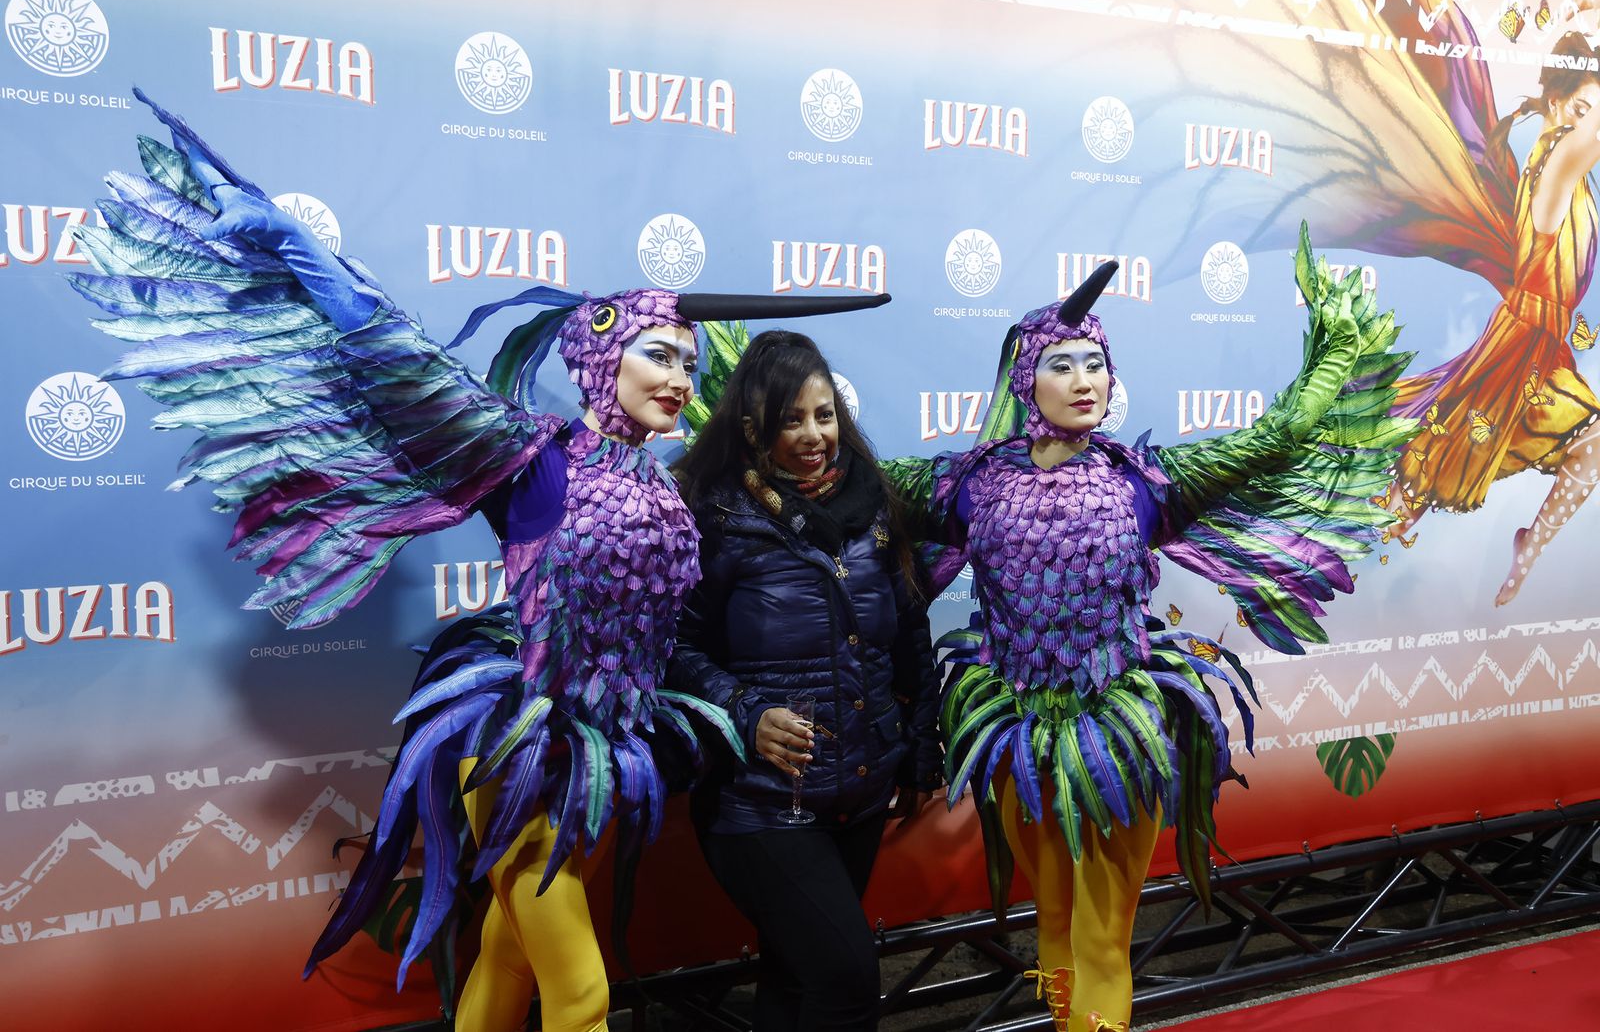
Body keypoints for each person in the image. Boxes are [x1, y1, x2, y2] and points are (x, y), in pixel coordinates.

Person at [69, 91, 890, 1031]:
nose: (679, 379)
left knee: (507, 951)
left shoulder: (665, 483)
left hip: (609, 751)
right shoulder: (534, 460)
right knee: (579, 990)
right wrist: (303, 252)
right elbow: (404, 363)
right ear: (601, 361)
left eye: (692, 366)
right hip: (526, 750)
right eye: (659, 356)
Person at [912, 239, 1412, 1031]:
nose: (1085, 382)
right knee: (1053, 925)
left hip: (1117, 739)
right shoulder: (970, 484)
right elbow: (847, 484)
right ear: (1024, 380)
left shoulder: (1141, 482)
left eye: (1095, 365)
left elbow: (1278, 436)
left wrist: (1337, 349)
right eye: (1063, 365)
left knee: (1103, 934)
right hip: (1018, 741)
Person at [668, 330, 942, 1032]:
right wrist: (745, 710)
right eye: (793, 418)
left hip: (860, 788)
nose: (815, 434)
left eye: (824, 414)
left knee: (795, 980)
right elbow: (670, 645)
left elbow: (909, 630)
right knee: (847, 983)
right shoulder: (715, 514)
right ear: (754, 423)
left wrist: (919, 745)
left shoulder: (874, 503)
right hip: (759, 800)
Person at [1388, 30, 1600, 605]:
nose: (1591, 125)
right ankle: (1323, 552)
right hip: (1519, 348)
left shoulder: (1569, 172)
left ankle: (1528, 544)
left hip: (1543, 348)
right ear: (1556, 107)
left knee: (1585, 446)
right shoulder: (1556, 164)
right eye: (1582, 109)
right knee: (1426, 469)